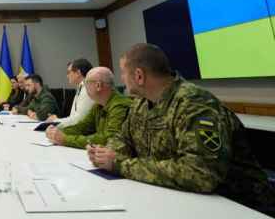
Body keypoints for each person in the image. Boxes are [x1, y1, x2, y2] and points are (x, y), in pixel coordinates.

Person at [87, 43, 275, 215]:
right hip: (182, 200)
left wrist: (120, 164)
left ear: (139, 76)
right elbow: (123, 138)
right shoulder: (141, 104)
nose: (121, 79)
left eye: (123, 72)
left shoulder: (194, 104)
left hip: (238, 206)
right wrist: (107, 153)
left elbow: (200, 174)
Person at [45, 67, 131, 149]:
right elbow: (83, 126)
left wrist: (65, 139)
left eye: (86, 83)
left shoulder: (119, 105)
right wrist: (58, 131)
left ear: (98, 85)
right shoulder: (99, 105)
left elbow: (108, 140)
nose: (85, 87)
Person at [46, 59, 94, 127]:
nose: (67, 76)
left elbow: (79, 120)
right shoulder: (81, 88)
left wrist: (56, 121)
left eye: (68, 72)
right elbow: (74, 117)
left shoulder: (87, 90)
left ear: (78, 73)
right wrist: (57, 120)